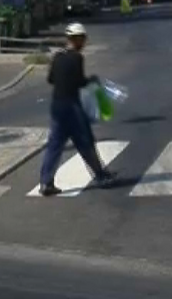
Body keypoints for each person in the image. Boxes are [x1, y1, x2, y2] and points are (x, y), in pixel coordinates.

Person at [38, 22, 116, 196]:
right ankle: (101, 176)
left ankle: (45, 182)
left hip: (56, 106)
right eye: (83, 39)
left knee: (54, 144)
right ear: (77, 39)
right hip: (72, 106)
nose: (84, 42)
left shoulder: (57, 56)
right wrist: (91, 80)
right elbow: (79, 81)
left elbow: (50, 80)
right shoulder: (77, 58)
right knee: (85, 141)